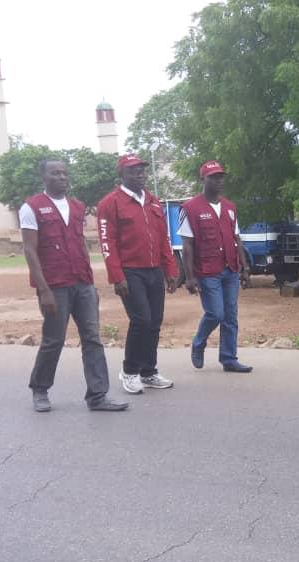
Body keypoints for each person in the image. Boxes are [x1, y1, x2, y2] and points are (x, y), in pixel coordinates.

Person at [21, 159, 128, 412]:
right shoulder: (31, 207)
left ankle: (98, 396)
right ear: (44, 177)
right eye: (55, 173)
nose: (61, 177)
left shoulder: (78, 207)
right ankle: (40, 389)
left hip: (82, 284)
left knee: (92, 339)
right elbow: (29, 249)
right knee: (53, 340)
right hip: (54, 286)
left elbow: (80, 245)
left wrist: (91, 285)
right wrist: (43, 289)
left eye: (64, 173)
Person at [97, 154, 180, 395]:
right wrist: (117, 276)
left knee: (154, 322)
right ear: (122, 174)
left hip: (154, 270)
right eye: (134, 171)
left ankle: (149, 371)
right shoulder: (110, 203)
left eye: (142, 170)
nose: (141, 174)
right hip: (130, 272)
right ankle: (130, 371)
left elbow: (163, 238)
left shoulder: (153, 201)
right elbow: (107, 243)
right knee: (141, 320)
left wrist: (171, 269)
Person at [178, 161, 253, 373]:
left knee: (231, 315)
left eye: (221, 177)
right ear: (203, 179)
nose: (218, 181)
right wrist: (189, 277)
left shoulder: (230, 207)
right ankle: (198, 343)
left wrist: (244, 269)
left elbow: (237, 239)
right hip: (207, 271)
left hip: (230, 269)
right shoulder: (190, 208)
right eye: (213, 177)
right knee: (215, 314)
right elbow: (187, 245)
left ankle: (229, 359)